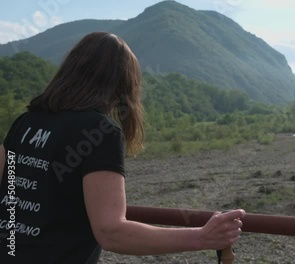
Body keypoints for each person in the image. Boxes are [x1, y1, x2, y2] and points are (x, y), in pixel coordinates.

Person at [0, 32, 245, 263]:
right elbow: (111, 232)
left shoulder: (25, 123)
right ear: (122, 84)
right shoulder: (99, 131)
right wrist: (203, 236)